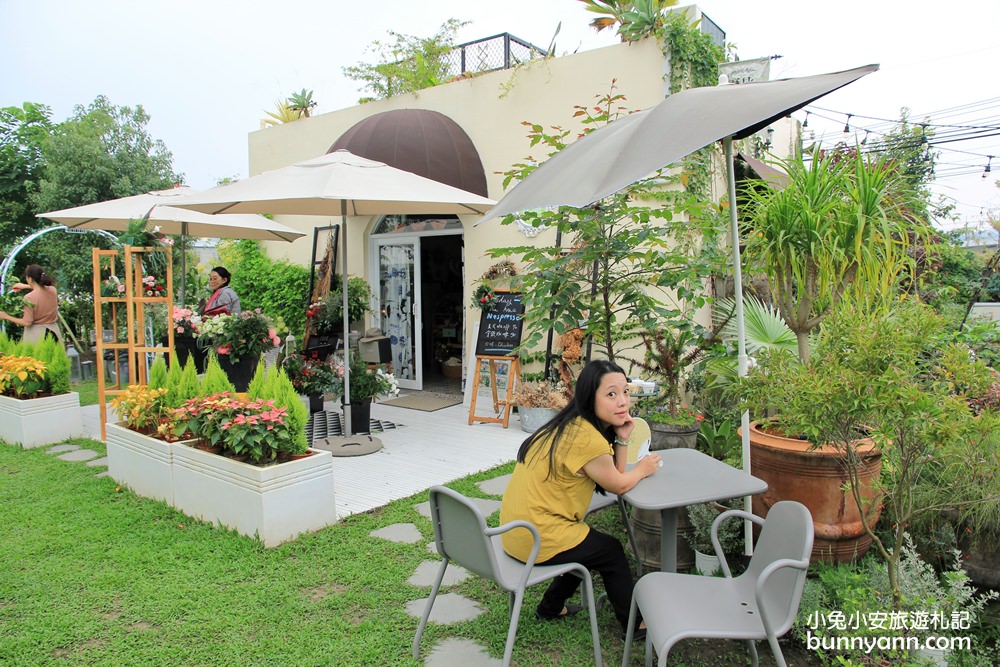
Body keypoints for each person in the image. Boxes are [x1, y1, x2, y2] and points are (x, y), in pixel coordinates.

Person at [499, 359, 661, 641]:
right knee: (609, 550)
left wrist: (622, 439)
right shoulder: (587, 438)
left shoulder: (571, 424)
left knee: (589, 547)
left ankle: (551, 606)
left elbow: (613, 474)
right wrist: (644, 469)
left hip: (515, 531)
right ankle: (634, 625)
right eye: (611, 394)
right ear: (590, 397)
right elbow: (619, 484)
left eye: (625, 391)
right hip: (536, 536)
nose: (623, 401)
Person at [0, 264, 62, 342]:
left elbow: (27, 322)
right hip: (54, 332)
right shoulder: (53, 290)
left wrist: (6, 316)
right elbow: (42, 288)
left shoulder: (29, 297)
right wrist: (24, 286)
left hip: (37, 335)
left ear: (29, 278)